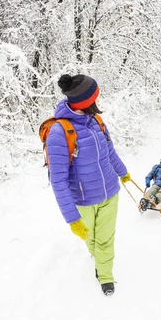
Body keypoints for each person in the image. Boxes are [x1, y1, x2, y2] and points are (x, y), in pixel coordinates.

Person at [46, 73, 130, 296]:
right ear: (86, 101)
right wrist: (72, 219)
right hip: (83, 200)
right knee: (90, 238)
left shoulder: (97, 122)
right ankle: (97, 256)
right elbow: (58, 179)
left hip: (110, 192)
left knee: (105, 240)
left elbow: (110, 152)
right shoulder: (59, 133)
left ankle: (105, 276)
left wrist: (123, 173)